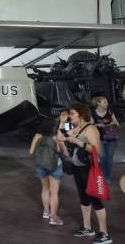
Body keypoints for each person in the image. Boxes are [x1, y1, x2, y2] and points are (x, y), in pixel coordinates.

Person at [59, 103, 112, 244]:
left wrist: (76, 140)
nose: (70, 116)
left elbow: (96, 149)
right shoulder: (71, 126)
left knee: (95, 200)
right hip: (77, 166)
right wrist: (62, 122)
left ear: (81, 114)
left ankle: (105, 234)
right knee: (83, 198)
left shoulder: (90, 128)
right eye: (70, 114)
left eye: (73, 114)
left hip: (89, 167)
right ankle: (87, 228)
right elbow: (60, 137)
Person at [29, 118, 64, 226]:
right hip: (55, 166)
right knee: (54, 192)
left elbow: (31, 152)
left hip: (41, 166)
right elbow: (62, 151)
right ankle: (53, 217)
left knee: (45, 188)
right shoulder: (57, 136)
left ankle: (46, 211)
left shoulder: (37, 136)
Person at [90, 96, 119, 182]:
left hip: (111, 138)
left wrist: (112, 123)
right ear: (98, 103)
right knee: (102, 157)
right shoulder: (93, 113)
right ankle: (102, 175)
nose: (107, 103)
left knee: (109, 158)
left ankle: (107, 176)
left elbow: (117, 123)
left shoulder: (110, 111)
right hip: (99, 139)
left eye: (106, 102)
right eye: (104, 102)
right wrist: (97, 125)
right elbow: (90, 125)